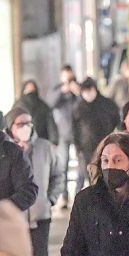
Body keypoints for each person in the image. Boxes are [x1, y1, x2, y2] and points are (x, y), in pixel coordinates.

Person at [5, 107, 63, 256]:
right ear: (10, 126)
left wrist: (50, 199)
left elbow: (58, 175)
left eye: (29, 123)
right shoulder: (6, 151)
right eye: (20, 123)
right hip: (15, 216)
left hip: (41, 213)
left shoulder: (45, 147)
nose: (26, 127)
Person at [73, 77, 121, 194]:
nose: (88, 93)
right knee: (92, 177)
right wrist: (78, 147)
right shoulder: (78, 107)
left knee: (108, 175)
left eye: (90, 90)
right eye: (85, 91)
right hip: (87, 149)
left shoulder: (107, 104)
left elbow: (117, 121)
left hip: (106, 146)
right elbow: (75, 129)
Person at [47, 66, 79, 208]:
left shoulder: (77, 88)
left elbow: (85, 103)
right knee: (63, 166)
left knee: (82, 167)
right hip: (62, 133)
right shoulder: (57, 89)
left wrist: (77, 92)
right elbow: (50, 104)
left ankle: (78, 194)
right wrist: (62, 91)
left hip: (78, 132)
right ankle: (64, 196)